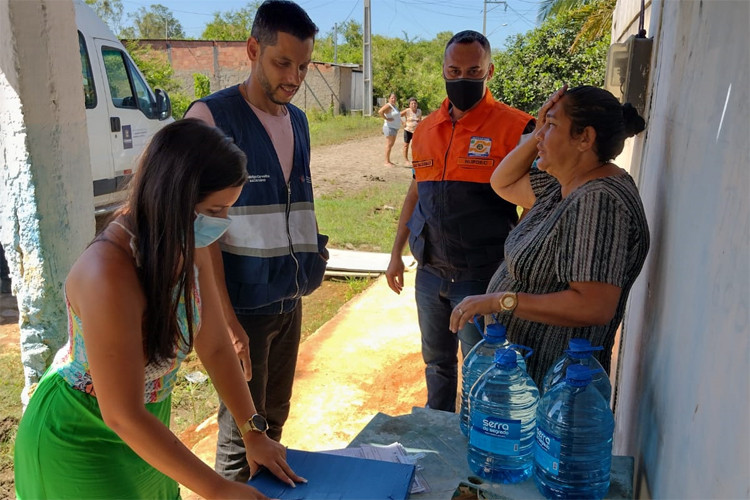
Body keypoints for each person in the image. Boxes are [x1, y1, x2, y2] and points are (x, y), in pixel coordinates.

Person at [13, 119, 305, 499]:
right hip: (80, 435)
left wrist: (254, 432)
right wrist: (218, 489)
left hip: (148, 430)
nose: (221, 224)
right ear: (174, 199)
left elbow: (216, 344)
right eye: (214, 210)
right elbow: (122, 414)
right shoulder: (108, 274)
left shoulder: (184, 239)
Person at [183, 0, 328, 483]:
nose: (294, 77)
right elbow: (197, 230)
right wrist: (222, 316)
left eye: (303, 66)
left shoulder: (300, 122)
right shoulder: (210, 117)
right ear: (252, 49)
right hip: (240, 307)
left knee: (275, 422)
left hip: (288, 299)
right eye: (282, 63)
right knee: (241, 430)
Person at [449, 85, 650, 385]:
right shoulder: (565, 183)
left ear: (585, 138)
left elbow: (593, 305)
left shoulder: (598, 201)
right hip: (526, 380)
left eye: (552, 125)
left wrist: (501, 302)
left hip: (554, 390)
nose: (539, 135)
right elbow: (501, 183)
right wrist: (541, 129)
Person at [385, 30, 535, 412]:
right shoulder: (426, 129)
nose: (462, 79)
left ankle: (476, 444)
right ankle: (439, 435)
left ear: (490, 71)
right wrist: (395, 254)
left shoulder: (518, 129)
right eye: (454, 70)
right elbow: (416, 192)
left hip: (481, 275)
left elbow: (538, 205)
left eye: (473, 70)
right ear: (443, 70)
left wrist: (522, 268)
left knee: (481, 367)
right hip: (430, 272)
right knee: (436, 364)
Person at [378, 93, 400, 167]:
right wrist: (386, 119)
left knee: (391, 144)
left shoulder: (394, 106)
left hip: (394, 128)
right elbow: (380, 111)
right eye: (392, 98)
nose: (393, 99)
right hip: (389, 127)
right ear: (389, 99)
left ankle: (389, 161)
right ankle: (386, 162)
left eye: (394, 98)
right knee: (389, 144)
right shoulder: (388, 105)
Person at [400, 97, 422, 163]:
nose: (413, 105)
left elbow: (420, 119)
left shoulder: (419, 111)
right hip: (408, 130)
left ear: (417, 104)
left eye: (415, 103)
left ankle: (415, 158)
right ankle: (406, 160)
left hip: (416, 131)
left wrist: (420, 122)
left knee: (415, 145)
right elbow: (398, 115)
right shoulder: (407, 111)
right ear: (409, 105)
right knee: (406, 145)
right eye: (412, 103)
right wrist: (403, 122)